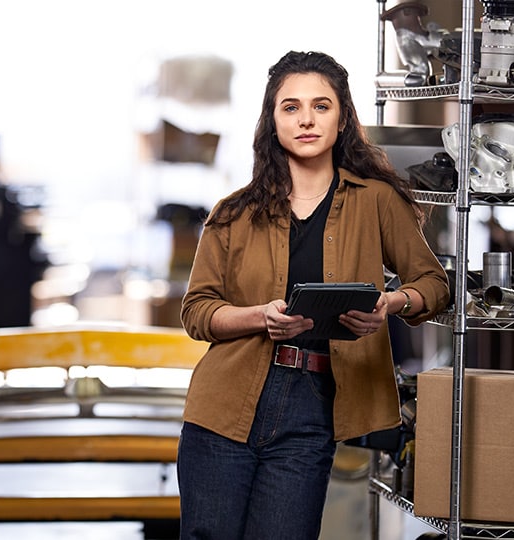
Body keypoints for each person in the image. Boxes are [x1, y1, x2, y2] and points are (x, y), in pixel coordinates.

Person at [178, 50, 450, 539]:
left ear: (342, 117)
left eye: (321, 106)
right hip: (223, 407)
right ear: (272, 120)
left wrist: (390, 303)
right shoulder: (232, 213)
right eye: (291, 107)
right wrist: (259, 317)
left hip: (313, 407)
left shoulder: (377, 200)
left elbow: (433, 285)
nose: (306, 119)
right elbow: (197, 313)